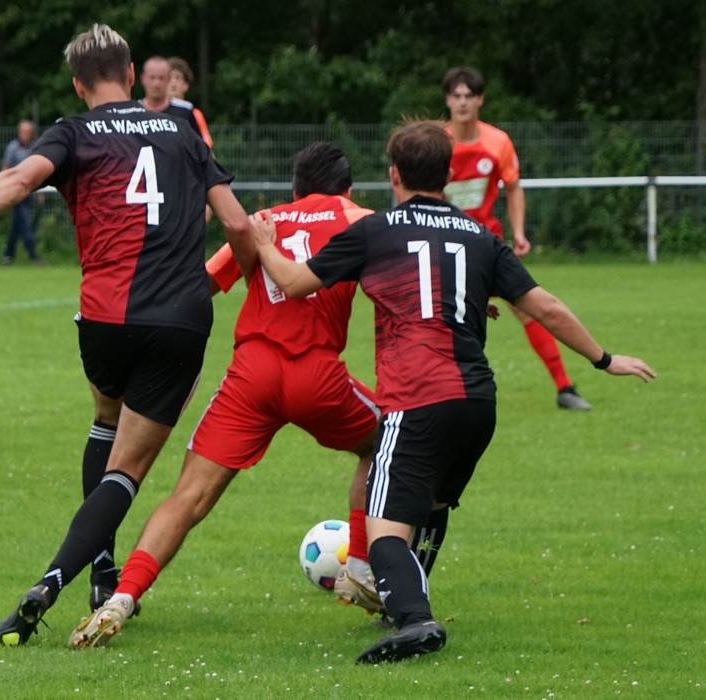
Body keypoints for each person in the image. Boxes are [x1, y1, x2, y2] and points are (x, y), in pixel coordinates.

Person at [247, 120, 656, 664]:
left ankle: (414, 620)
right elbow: (545, 306)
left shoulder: (377, 230)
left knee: (383, 532)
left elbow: (295, 283)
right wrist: (605, 359)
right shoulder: (481, 236)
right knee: (432, 505)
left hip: (417, 398)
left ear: (394, 174)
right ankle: (406, 605)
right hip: (477, 404)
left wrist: (264, 244)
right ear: (448, 174)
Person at [0, 23, 253, 648]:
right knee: (129, 468)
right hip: (179, 319)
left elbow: (18, 182)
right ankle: (54, 581)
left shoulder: (73, 132)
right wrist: (257, 281)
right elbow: (236, 224)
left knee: (106, 420)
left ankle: (102, 572)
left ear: (77, 84)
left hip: (104, 322)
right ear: (131, 75)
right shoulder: (181, 131)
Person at [67, 142, 387, 650]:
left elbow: (201, 284)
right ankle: (363, 569)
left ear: (295, 189)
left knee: (187, 497)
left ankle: (121, 598)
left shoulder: (258, 221)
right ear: (347, 189)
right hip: (317, 374)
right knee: (387, 440)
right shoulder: (361, 219)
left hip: (250, 375)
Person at [441, 66, 592, 411]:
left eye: (469, 96)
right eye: (456, 96)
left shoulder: (498, 142)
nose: (462, 102)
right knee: (443, 319)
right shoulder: (439, 143)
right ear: (447, 100)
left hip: (487, 242)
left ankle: (565, 388)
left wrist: (519, 232)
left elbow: (513, 187)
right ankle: (442, 394)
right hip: (446, 247)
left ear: (480, 100)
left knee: (528, 309)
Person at [0, 120, 45, 265]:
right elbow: (5, 168)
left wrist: (40, 192)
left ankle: (8, 256)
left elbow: (37, 171)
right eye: (22, 131)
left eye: (27, 132)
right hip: (15, 192)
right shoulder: (13, 147)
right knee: (25, 223)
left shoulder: (34, 148)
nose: (24, 134)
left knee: (17, 225)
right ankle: (33, 255)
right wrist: (5, 188)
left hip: (29, 192)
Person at [138, 55, 204, 139]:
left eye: (161, 78)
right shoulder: (133, 112)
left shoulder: (187, 111)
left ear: (167, 79)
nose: (156, 83)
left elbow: (201, 144)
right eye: (152, 78)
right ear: (143, 79)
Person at [167, 56, 213, 149]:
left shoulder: (194, 114)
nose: (173, 82)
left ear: (186, 85)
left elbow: (205, 148)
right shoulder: (154, 113)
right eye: (169, 78)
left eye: (178, 78)